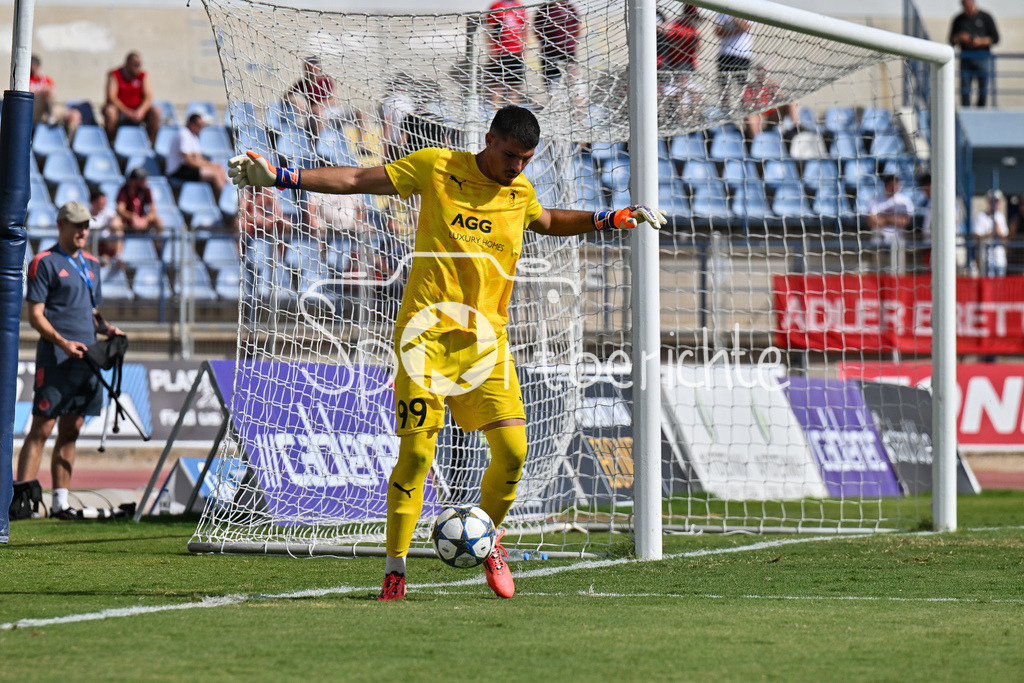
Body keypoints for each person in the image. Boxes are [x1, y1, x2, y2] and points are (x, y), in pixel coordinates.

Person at [227, 105, 666, 601]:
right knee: (416, 454)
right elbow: (357, 179)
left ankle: (488, 540)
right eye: (510, 155)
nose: (517, 167)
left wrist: (609, 217)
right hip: (425, 338)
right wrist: (281, 176)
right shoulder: (436, 166)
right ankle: (395, 570)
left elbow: (546, 220)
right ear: (489, 139)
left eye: (525, 159)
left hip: (486, 343)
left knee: (513, 452)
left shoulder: (519, 192)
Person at [16, 201, 123, 518]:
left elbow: (91, 311)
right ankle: (21, 501)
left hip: (87, 360)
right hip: (56, 359)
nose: (83, 231)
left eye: (86, 226)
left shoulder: (92, 264)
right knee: (42, 427)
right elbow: (35, 315)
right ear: (61, 225)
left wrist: (106, 329)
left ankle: (60, 503)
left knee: (71, 431)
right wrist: (63, 343)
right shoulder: (44, 262)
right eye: (77, 225)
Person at [284, 56, 364, 138]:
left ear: (317, 68)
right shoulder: (303, 83)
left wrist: (320, 105)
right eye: (306, 68)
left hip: (332, 111)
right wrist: (297, 102)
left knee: (360, 113)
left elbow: (335, 100)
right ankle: (318, 142)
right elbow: (287, 95)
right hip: (315, 114)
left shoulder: (326, 80)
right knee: (319, 114)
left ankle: (362, 144)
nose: (307, 70)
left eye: (310, 68)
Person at [656, 6, 703, 127]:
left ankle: (692, 123)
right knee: (679, 95)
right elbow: (663, 30)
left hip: (688, 67)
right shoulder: (676, 25)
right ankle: (679, 122)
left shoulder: (693, 29)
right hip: (676, 66)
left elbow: (697, 48)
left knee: (693, 93)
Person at [948, 0, 999, 107]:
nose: (967, 6)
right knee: (965, 88)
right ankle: (966, 110)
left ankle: (981, 110)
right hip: (965, 57)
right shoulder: (958, 19)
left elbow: (995, 38)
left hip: (982, 57)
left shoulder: (985, 17)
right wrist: (960, 37)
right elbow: (951, 41)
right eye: (965, 4)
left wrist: (980, 41)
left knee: (983, 88)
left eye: (969, 3)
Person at [103, 51, 160, 145]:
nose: (138, 67)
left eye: (139, 65)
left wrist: (141, 110)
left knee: (156, 112)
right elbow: (111, 97)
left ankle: (150, 142)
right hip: (120, 111)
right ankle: (111, 141)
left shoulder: (142, 76)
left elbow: (148, 97)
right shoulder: (115, 74)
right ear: (127, 64)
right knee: (110, 112)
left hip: (137, 111)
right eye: (135, 65)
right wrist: (127, 112)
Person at [166, 112, 228, 196]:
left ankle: (229, 197)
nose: (202, 129)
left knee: (219, 171)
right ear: (192, 124)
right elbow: (190, 161)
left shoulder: (193, 137)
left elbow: (199, 159)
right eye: (200, 125)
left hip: (186, 168)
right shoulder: (183, 134)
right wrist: (211, 165)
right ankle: (225, 198)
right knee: (215, 175)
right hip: (177, 171)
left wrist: (213, 165)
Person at [533, 0, 581, 104]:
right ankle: (555, 106)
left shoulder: (568, 7)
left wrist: (572, 42)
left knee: (573, 80)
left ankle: (578, 108)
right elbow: (536, 29)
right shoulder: (543, 10)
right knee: (553, 82)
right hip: (549, 52)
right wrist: (546, 43)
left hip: (567, 50)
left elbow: (577, 25)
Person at [866, 173, 915, 271]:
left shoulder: (904, 201)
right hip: (878, 240)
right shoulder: (875, 199)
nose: (894, 189)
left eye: (896, 186)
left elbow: (904, 221)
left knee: (899, 270)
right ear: (886, 185)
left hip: (898, 241)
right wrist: (894, 219)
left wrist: (884, 218)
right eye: (891, 186)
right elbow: (872, 221)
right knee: (877, 270)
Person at [485, 0, 529, 107]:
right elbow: (489, 30)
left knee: (513, 87)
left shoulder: (519, 7)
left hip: (516, 52)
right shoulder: (496, 7)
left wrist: (524, 48)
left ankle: (513, 112)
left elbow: (525, 29)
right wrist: (492, 50)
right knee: (497, 86)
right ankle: (494, 111)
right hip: (500, 51)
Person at [29, 54, 82, 141]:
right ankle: (51, 116)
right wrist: (40, 91)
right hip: (34, 109)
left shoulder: (45, 79)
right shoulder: (25, 80)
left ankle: (68, 142)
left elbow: (52, 94)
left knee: (75, 115)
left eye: (35, 66)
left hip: (49, 108)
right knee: (47, 91)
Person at [714, 12, 754, 111]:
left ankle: (745, 111)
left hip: (742, 55)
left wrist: (734, 17)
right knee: (724, 87)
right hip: (725, 53)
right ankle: (725, 111)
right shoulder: (723, 11)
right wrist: (734, 31)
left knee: (742, 87)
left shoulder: (749, 9)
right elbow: (717, 31)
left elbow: (746, 27)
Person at [116, 167, 163, 240]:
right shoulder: (124, 190)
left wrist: (146, 219)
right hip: (127, 221)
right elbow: (120, 210)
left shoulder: (146, 190)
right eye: (143, 179)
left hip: (143, 220)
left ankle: (158, 247)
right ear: (134, 181)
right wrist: (133, 217)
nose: (145, 181)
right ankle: (119, 247)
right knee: (116, 222)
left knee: (158, 222)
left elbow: (153, 212)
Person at [972, 189, 1009, 276]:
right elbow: (975, 238)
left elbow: (1006, 239)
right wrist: (989, 234)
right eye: (992, 201)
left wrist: (999, 233)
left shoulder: (1001, 217)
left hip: (1000, 261)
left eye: (997, 201)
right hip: (986, 259)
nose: (995, 204)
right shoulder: (980, 216)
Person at [88, 187, 124, 263]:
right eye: (101, 202)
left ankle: (118, 258)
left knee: (118, 229)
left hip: (106, 244)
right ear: (93, 202)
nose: (104, 204)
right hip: (90, 244)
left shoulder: (109, 213)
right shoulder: (86, 215)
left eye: (105, 202)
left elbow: (117, 221)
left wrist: (114, 223)